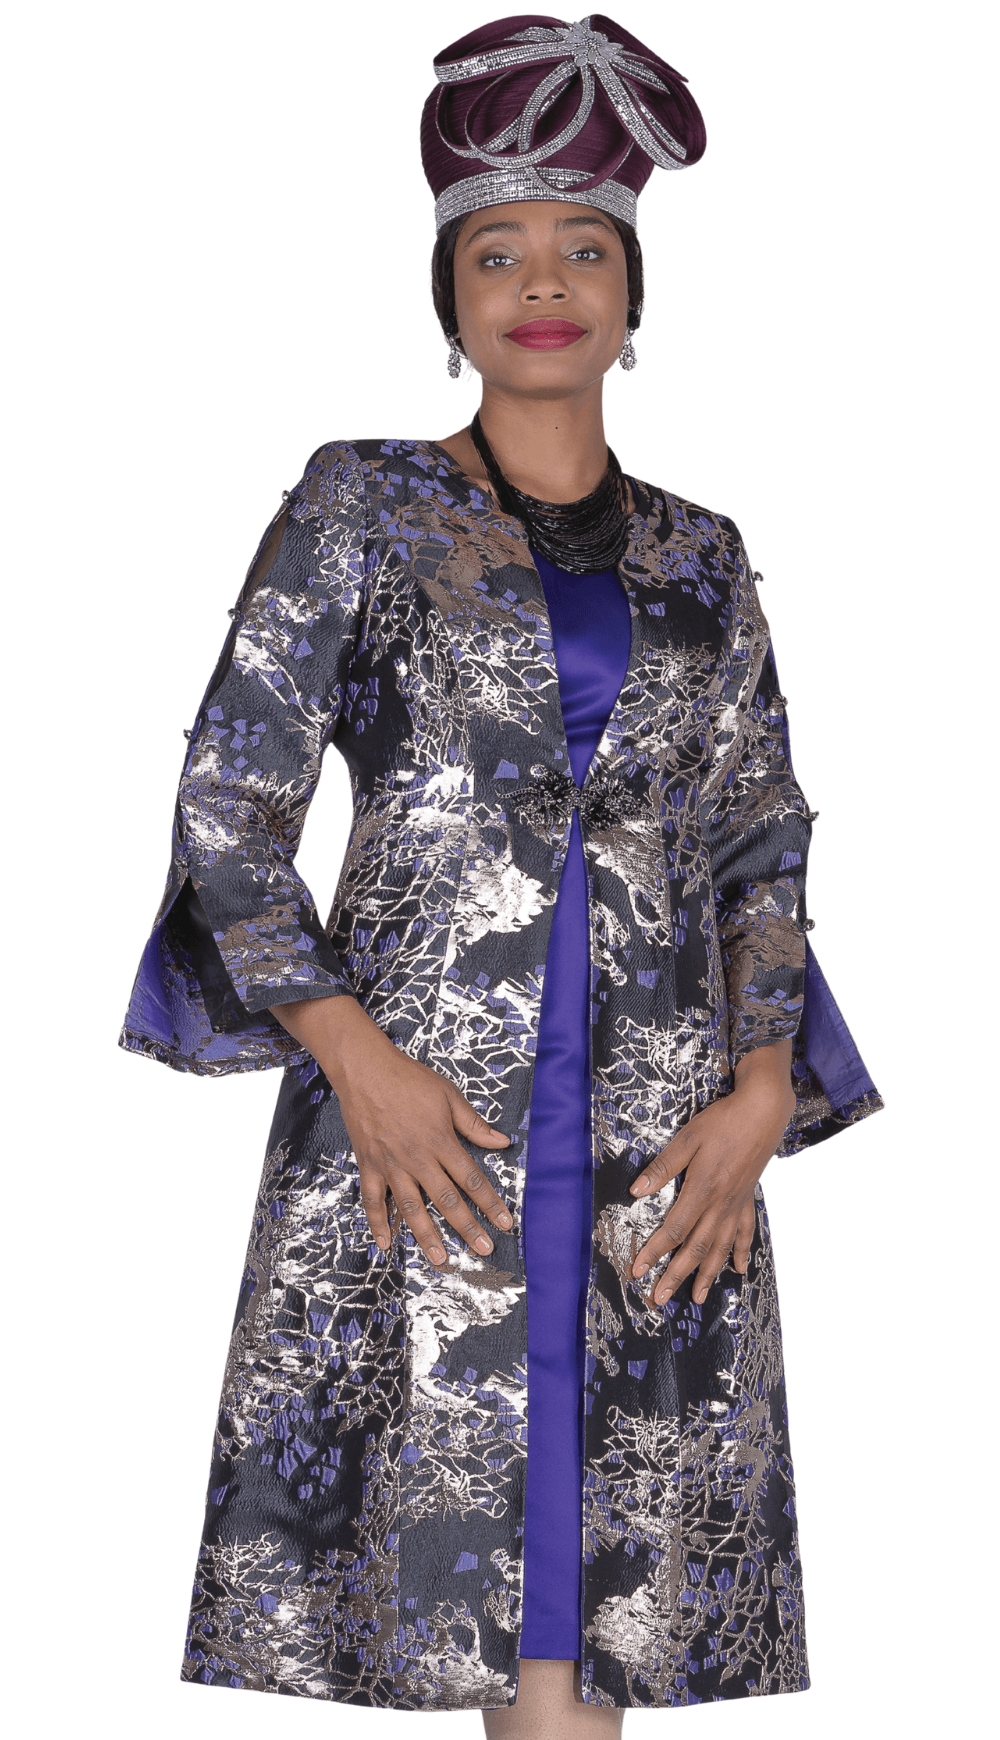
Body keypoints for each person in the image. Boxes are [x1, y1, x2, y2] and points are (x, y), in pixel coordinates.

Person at [120, 13, 883, 1729]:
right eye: (499, 252)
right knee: (480, 1565)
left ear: (634, 294)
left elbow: (758, 834)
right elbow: (228, 808)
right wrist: (356, 1063)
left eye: (585, 249)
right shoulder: (361, 505)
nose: (545, 281)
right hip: (430, 1122)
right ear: (450, 297)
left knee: (601, 1600)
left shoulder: (705, 556)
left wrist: (765, 1090)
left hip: (660, 1128)